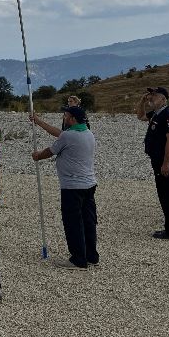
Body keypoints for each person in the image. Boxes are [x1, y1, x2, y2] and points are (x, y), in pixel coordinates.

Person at [31, 106, 99, 270]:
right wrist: (38, 121)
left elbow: (51, 151)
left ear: (73, 119)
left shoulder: (69, 136)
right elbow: (58, 133)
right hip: (89, 184)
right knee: (88, 221)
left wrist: (38, 156)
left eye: (66, 115)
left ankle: (78, 260)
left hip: (72, 187)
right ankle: (91, 256)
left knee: (73, 223)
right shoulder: (87, 133)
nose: (63, 118)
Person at [135, 87, 169, 240]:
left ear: (164, 99)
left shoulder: (168, 115)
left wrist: (166, 163)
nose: (152, 98)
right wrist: (142, 101)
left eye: (155, 96)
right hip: (157, 159)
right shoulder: (156, 113)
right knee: (163, 194)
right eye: (151, 95)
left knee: (168, 195)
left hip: (165, 161)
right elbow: (140, 116)